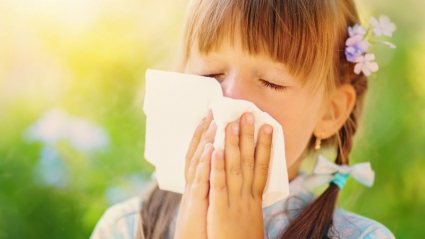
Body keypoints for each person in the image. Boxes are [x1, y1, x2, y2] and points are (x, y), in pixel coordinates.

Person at [91, 0, 396, 238]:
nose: (231, 98)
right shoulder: (127, 229)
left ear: (331, 111)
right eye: (211, 74)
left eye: (271, 82)